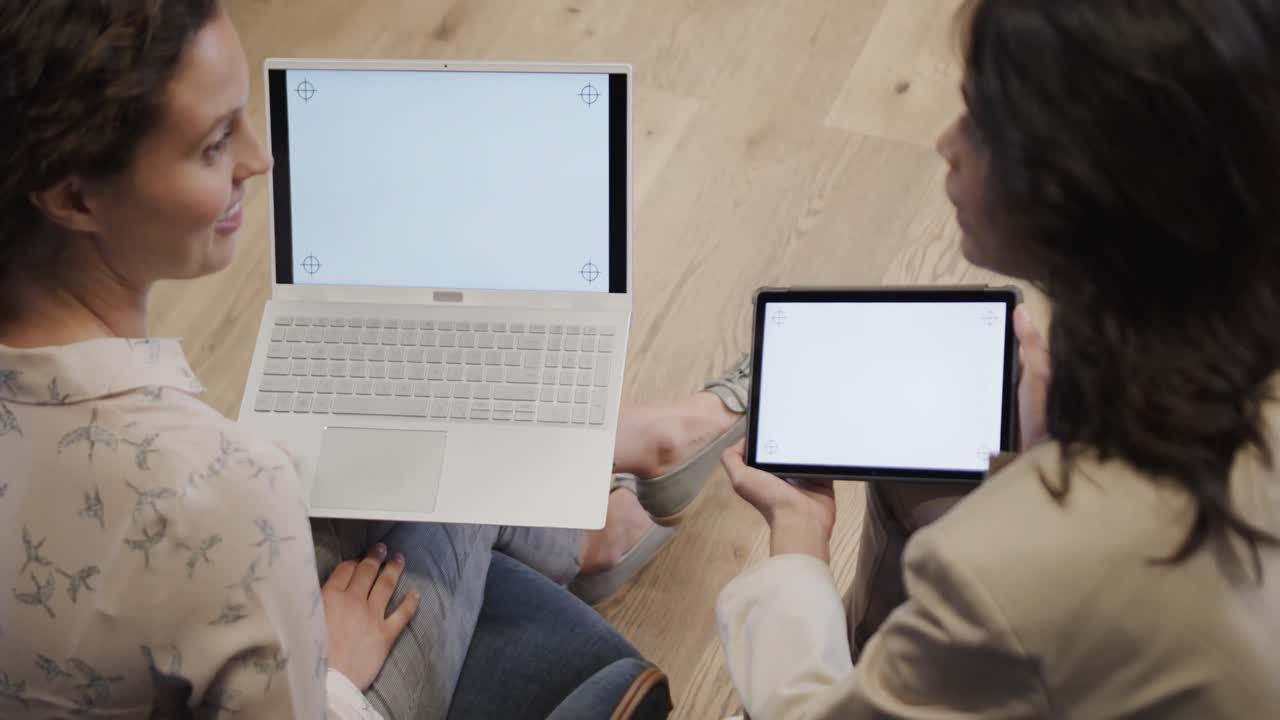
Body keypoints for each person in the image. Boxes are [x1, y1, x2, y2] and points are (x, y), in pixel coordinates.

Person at [0, 1, 746, 717]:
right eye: (214, 143)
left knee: (372, 441)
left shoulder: (192, 470)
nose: (260, 160)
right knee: (451, 434)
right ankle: (610, 503)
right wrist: (334, 677)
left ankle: (609, 488)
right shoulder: (220, 485)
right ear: (73, 198)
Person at [713, 0, 1280, 717]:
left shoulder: (1004, 575)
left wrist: (798, 541)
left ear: (1078, 182)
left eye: (979, 120)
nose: (947, 143)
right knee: (922, 469)